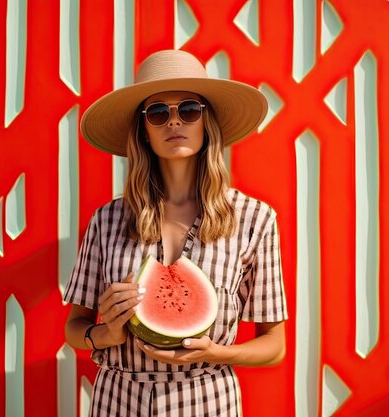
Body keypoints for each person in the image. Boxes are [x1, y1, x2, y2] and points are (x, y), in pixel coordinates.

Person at [64, 49, 287, 417]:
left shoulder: (254, 218)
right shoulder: (107, 219)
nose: (173, 122)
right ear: (144, 132)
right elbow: (75, 326)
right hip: (118, 399)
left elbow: (275, 344)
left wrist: (219, 353)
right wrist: (106, 334)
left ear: (205, 122)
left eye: (188, 110)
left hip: (207, 398)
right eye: (157, 113)